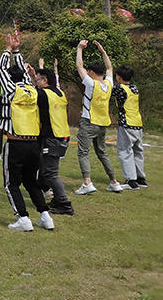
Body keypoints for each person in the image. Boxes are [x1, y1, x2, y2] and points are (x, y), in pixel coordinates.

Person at [0, 34, 54, 232]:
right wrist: (17, 51)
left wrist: (8, 49)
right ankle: (45, 216)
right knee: (31, 181)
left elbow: (2, 70)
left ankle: (23, 217)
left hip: (16, 143)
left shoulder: (12, 90)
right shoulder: (32, 90)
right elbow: (21, 72)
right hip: (33, 144)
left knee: (11, 184)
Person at [74, 40, 124, 195]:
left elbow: (79, 66)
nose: (87, 73)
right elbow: (110, 68)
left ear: (92, 72)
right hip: (102, 124)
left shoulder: (91, 84)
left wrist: (79, 49)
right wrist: (103, 51)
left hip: (88, 122)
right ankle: (114, 182)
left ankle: (87, 183)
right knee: (102, 152)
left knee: (83, 152)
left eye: (88, 71)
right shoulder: (109, 84)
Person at [32, 59, 74, 216]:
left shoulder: (44, 94)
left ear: (45, 81)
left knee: (50, 172)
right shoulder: (59, 93)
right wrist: (34, 76)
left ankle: (64, 203)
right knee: (45, 170)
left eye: (38, 80)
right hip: (63, 135)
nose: (36, 83)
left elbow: (31, 93)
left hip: (52, 137)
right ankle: (57, 199)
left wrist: (29, 77)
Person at [113, 65, 147, 190]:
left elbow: (108, 89)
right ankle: (140, 178)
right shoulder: (134, 88)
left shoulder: (120, 88)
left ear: (119, 77)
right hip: (137, 123)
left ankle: (131, 180)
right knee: (138, 151)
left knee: (125, 151)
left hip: (126, 123)